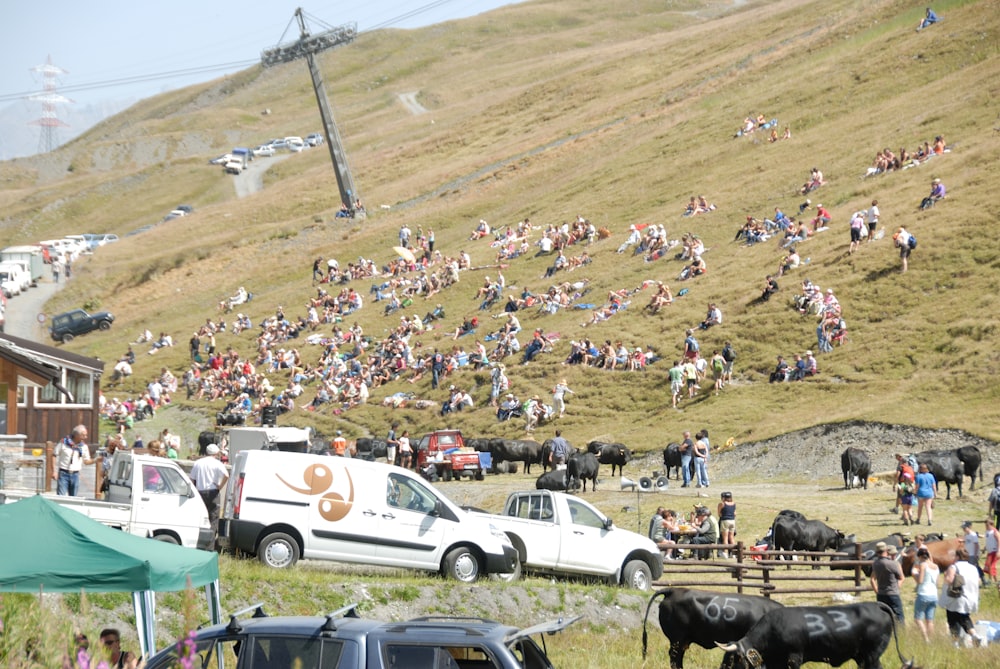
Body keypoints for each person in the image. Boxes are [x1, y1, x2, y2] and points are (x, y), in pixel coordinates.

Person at [941, 547, 985, 647]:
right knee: (964, 617)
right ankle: (974, 636)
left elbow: (949, 580)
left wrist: (946, 575)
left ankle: (955, 642)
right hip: (970, 597)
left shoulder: (954, 567)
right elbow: (978, 581)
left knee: (952, 619)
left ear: (957, 556)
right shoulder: (973, 567)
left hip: (957, 597)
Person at [190, 444, 229, 548]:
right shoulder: (217, 463)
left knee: (200, 517)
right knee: (213, 519)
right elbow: (226, 475)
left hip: (200, 492)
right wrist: (220, 486)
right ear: (216, 453)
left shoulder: (198, 463)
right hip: (213, 492)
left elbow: (192, 479)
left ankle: (197, 543)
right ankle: (209, 546)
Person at [51, 425, 95, 496]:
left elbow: (86, 461)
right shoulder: (63, 443)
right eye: (83, 435)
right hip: (63, 473)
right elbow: (54, 455)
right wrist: (54, 471)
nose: (85, 437)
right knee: (61, 496)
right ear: (76, 435)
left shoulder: (83, 447)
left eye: (86, 435)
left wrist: (95, 460)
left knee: (73, 497)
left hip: (75, 475)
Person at [910, 546, 940, 642]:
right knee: (929, 620)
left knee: (918, 619)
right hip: (934, 594)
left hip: (924, 593)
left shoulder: (923, 565)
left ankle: (926, 639)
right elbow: (937, 583)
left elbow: (920, 580)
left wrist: (914, 573)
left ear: (920, 557)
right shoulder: (936, 566)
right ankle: (931, 639)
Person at [871, 541, 904, 622]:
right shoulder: (892, 564)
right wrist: (897, 587)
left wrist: (877, 591)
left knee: (884, 618)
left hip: (881, 594)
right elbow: (900, 577)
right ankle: (901, 633)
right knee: (899, 617)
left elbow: (872, 579)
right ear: (886, 551)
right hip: (892, 594)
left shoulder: (875, 563)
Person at [717, 492, 736, 558]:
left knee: (725, 538)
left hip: (725, 520)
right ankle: (733, 553)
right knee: (731, 537)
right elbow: (735, 513)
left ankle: (725, 553)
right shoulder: (733, 503)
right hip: (732, 521)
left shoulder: (722, 504)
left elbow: (719, 514)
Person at [983, 519, 1000, 584]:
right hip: (989, 551)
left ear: (991, 525)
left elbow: (999, 541)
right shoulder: (987, 531)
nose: (986, 526)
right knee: (988, 566)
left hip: (994, 551)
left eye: (987, 525)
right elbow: (988, 541)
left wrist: (998, 551)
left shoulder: (995, 532)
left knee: (991, 566)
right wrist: (985, 548)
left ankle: (994, 581)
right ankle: (993, 580)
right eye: (985, 525)